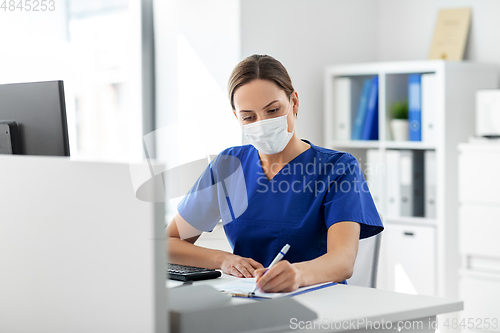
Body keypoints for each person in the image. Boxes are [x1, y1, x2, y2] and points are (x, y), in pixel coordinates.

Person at [167, 54, 383, 293]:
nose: (262, 123)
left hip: (320, 303)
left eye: (273, 110)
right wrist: (223, 260)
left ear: (294, 102)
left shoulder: (339, 168)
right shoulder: (228, 166)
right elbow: (168, 243)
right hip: (247, 299)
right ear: (237, 118)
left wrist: (298, 275)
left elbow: (343, 261)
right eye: (249, 117)